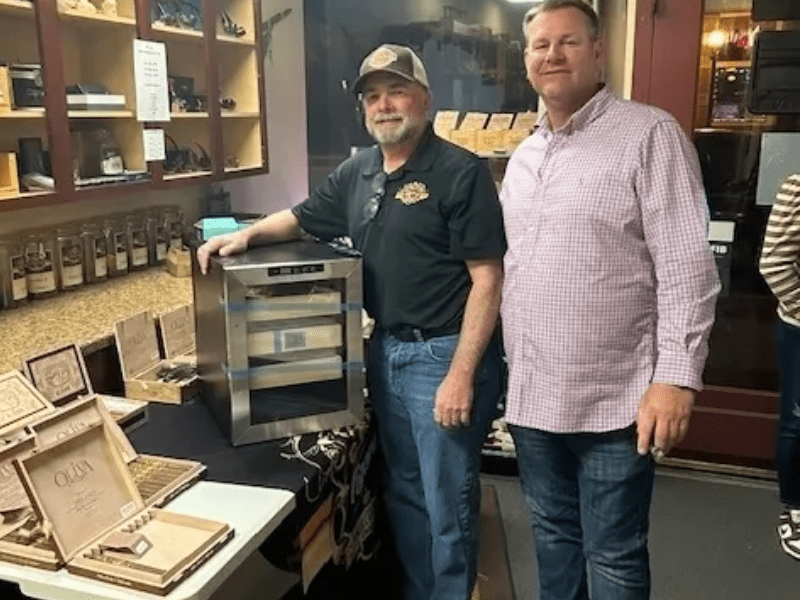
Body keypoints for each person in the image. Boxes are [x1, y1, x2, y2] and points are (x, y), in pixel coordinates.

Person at [197, 44, 506, 600]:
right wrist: (245, 235)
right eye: (373, 95)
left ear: (425, 99)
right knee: (405, 491)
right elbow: (301, 216)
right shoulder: (357, 170)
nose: (384, 105)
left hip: (442, 354)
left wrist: (462, 373)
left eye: (397, 91)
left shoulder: (461, 173)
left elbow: (487, 279)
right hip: (385, 351)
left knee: (447, 502)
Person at [498, 1, 720, 598]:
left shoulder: (649, 135)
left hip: (616, 401)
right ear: (527, 62)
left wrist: (676, 377)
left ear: (598, 52)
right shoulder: (524, 157)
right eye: (540, 45)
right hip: (533, 397)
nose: (552, 54)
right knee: (551, 538)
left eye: (567, 42)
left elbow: (686, 269)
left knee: (615, 558)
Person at [759, 173, 800, 560]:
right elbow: (774, 263)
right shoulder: (797, 185)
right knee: (798, 420)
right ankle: (796, 507)